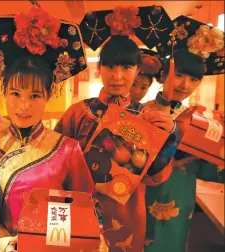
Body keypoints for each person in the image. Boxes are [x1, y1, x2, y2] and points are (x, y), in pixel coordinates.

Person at [55, 6, 179, 251]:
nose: (118, 76)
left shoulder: (147, 118)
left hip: (127, 216)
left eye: (126, 67)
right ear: (99, 68)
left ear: (137, 70)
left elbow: (157, 178)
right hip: (79, 209)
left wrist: (169, 138)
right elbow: (54, 164)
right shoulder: (79, 112)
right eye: (110, 67)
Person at [0, 9, 95, 251]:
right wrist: (2, 235)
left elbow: (84, 209)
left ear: (49, 95)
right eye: (15, 94)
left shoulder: (68, 149)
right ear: (3, 93)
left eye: (34, 95)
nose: (24, 106)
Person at [143, 16, 225, 252]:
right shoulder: (139, 112)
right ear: (165, 74)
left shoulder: (199, 123)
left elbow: (210, 169)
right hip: (141, 199)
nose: (185, 85)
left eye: (193, 80)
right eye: (179, 75)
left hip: (180, 200)